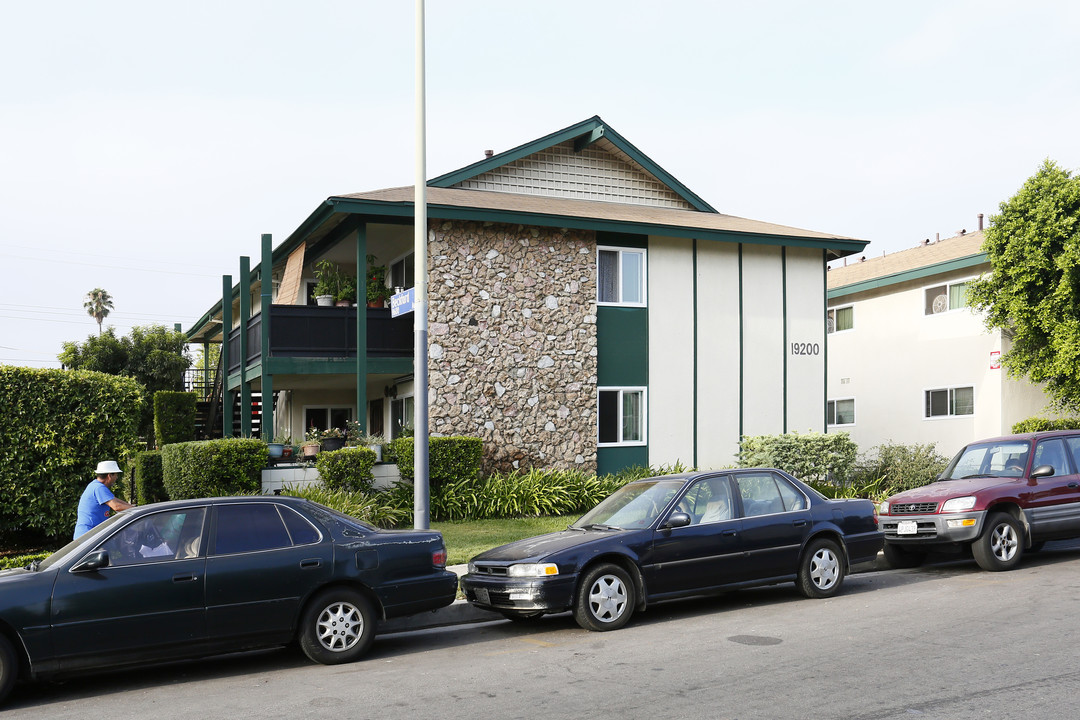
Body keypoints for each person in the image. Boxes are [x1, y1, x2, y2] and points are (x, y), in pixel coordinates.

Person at [74, 460, 134, 539]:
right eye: (116, 475)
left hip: (89, 535)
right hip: (87, 536)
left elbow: (115, 500)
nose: (116, 477)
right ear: (109, 476)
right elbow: (116, 506)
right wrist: (137, 509)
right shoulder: (99, 488)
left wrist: (133, 507)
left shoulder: (96, 486)